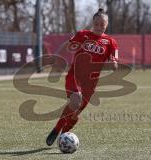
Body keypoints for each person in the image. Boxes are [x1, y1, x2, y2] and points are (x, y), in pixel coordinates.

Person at [46, 8, 119, 146]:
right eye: (96, 24)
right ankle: (56, 129)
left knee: (74, 114)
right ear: (93, 23)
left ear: (106, 25)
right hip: (75, 76)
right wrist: (54, 57)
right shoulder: (82, 35)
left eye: (102, 25)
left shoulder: (111, 42)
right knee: (76, 99)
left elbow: (115, 63)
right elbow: (66, 45)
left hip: (90, 84)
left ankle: (63, 136)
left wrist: (113, 64)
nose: (98, 27)